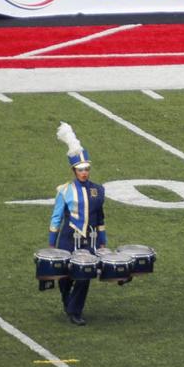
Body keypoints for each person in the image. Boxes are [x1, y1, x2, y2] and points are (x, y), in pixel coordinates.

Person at [47, 122, 106, 326]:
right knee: (65, 276)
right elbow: (56, 218)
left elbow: (100, 218)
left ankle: (74, 311)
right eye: (80, 170)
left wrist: (102, 241)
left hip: (88, 239)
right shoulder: (64, 191)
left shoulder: (98, 190)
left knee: (84, 276)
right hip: (67, 238)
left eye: (87, 169)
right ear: (74, 170)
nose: (84, 173)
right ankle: (68, 301)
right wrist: (52, 243)